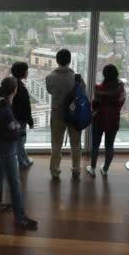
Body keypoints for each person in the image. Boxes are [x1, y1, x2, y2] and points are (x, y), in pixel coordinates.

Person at [0, 77, 38, 231]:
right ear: (14, 91)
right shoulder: (6, 110)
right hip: (7, 148)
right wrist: (19, 128)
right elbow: (14, 132)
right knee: (15, 183)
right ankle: (19, 217)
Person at [45, 49, 85, 181]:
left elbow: (50, 91)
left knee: (56, 144)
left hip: (57, 115)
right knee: (76, 143)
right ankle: (76, 168)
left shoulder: (50, 78)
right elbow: (83, 94)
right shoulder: (77, 78)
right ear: (69, 61)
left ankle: (55, 170)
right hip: (74, 115)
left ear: (57, 60)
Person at [86, 64, 125, 177]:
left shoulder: (98, 89)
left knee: (95, 145)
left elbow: (94, 105)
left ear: (104, 75)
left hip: (99, 119)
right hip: (113, 120)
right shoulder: (120, 87)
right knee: (110, 145)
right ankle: (105, 169)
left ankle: (92, 168)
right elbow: (121, 102)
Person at [10, 62, 34, 169]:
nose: (27, 72)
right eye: (26, 70)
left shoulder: (10, 84)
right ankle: (23, 162)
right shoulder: (22, 89)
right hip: (20, 120)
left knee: (17, 141)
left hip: (12, 119)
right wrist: (30, 121)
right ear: (23, 73)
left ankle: (20, 160)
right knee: (20, 141)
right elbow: (26, 107)